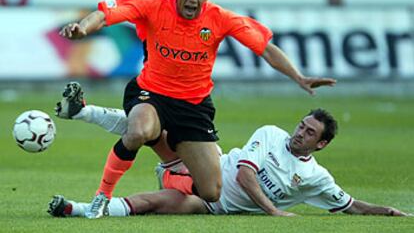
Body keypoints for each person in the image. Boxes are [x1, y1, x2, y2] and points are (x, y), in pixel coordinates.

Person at [59, 0, 336, 219]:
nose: (192, 0)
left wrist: (298, 77)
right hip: (150, 92)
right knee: (139, 130)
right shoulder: (154, 5)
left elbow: (265, 49)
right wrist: (82, 29)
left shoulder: (220, 18)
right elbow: (105, 14)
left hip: (193, 106)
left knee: (210, 192)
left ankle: (118, 126)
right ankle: (102, 197)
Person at [48, 109, 411, 217]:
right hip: (206, 167)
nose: (299, 132)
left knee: (153, 204)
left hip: (207, 202)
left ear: (322, 144)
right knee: (154, 128)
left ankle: (75, 209)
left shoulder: (316, 178)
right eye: (301, 124)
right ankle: (85, 112)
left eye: (309, 132)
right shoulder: (270, 131)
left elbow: (350, 206)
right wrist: (274, 212)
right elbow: (245, 175)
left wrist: (391, 213)